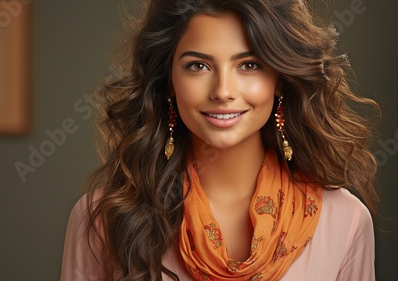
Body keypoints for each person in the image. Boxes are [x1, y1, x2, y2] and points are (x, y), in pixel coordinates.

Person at [61, 0, 379, 280]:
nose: (223, 91)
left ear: (279, 80)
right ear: (168, 81)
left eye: (249, 65)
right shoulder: (105, 219)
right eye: (198, 66)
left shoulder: (345, 220)